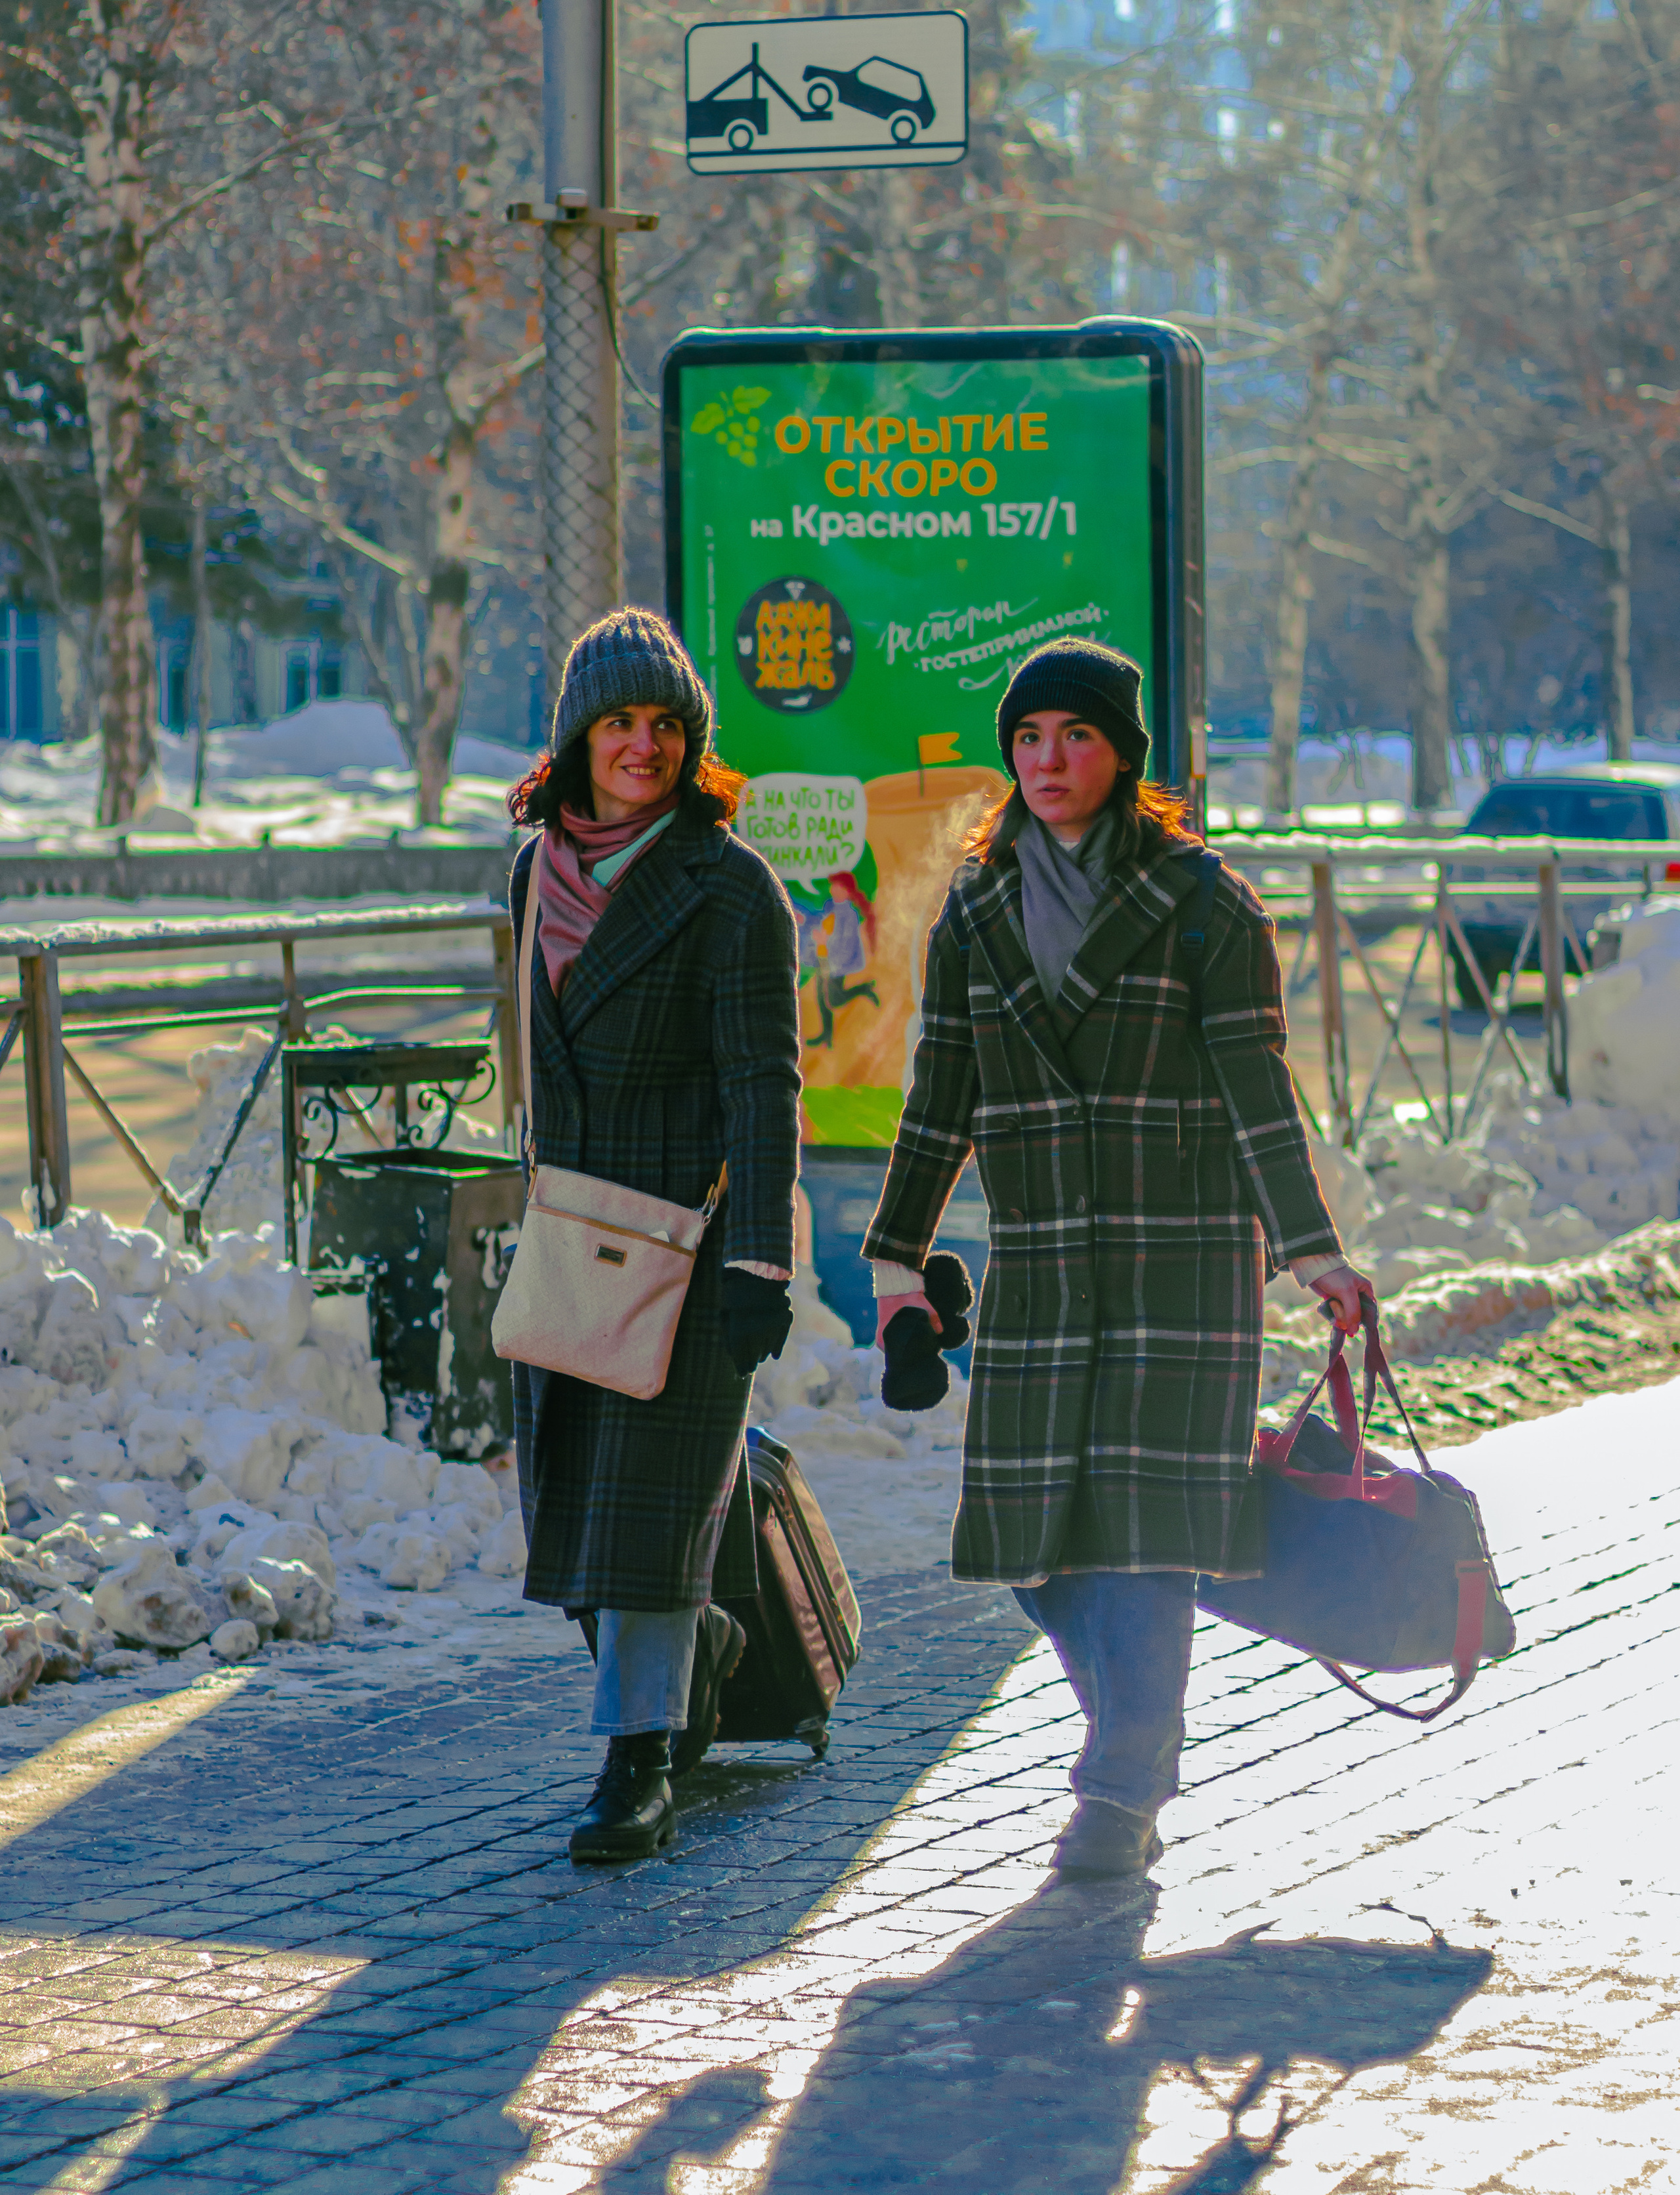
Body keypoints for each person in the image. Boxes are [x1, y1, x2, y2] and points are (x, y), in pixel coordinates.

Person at [862, 636, 1374, 1878]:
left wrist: (1311, 1249)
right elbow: (943, 1094)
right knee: (1032, 1543)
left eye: (1076, 736)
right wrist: (897, 1252)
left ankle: (1122, 1785)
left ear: (1123, 755)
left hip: (1179, 1261)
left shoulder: (1206, 904)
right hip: (1043, 1261)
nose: (1048, 759)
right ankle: (1137, 1732)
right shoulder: (977, 906)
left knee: (1142, 1538)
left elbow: (1261, 1091)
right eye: (1029, 737)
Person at [506, 608, 803, 1864]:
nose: (643, 746)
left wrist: (760, 1264)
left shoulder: (729, 886)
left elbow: (765, 1082)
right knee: (564, 1515)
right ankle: (703, 1651)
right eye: (620, 723)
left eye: (666, 726)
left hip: (688, 1239)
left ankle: (637, 1766)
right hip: (570, 1229)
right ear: (577, 735)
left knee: (645, 1514)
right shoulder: (531, 871)